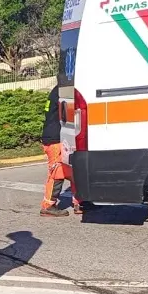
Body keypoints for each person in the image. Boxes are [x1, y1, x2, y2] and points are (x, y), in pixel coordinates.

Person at [41, 85, 82, 216]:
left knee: (75, 169)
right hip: (56, 138)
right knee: (57, 172)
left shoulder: (58, 89)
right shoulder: (63, 90)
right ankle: (48, 205)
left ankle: (79, 201)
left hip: (59, 135)